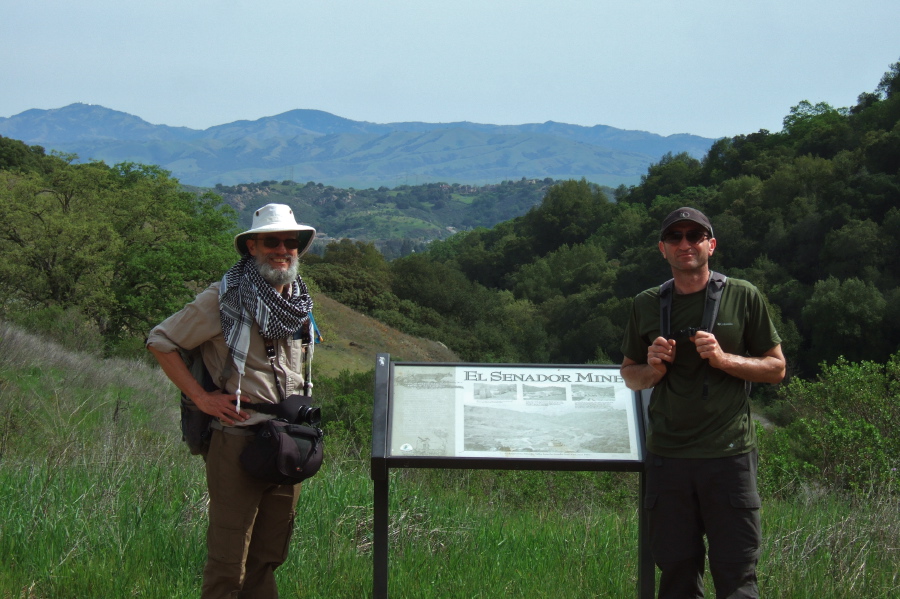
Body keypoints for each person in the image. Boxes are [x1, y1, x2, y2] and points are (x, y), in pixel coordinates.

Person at [147, 203, 317, 598]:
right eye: (271, 241)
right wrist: (201, 398)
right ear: (252, 247)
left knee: (270, 552)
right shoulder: (224, 299)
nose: (282, 249)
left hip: (288, 439)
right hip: (238, 437)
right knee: (229, 556)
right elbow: (161, 340)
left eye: (290, 241)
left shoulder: (297, 300)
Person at [620, 207, 786, 599]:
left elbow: (776, 368)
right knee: (676, 573)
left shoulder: (743, 295)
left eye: (694, 236)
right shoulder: (646, 303)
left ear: (710, 245)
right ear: (663, 249)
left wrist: (724, 359)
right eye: (674, 237)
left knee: (737, 573)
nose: (685, 244)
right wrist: (653, 369)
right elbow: (630, 375)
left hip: (729, 457)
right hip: (668, 458)